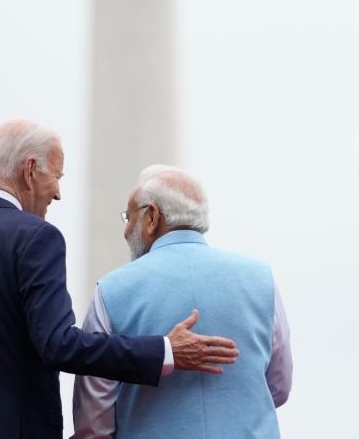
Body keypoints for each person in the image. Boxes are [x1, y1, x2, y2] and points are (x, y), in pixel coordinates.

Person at [0, 120, 239, 439]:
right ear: (30, 170)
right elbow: (58, 344)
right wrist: (164, 350)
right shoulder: (35, 237)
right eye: (57, 176)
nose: (58, 193)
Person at [72, 165, 293, 439]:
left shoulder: (110, 290)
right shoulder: (263, 279)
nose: (126, 230)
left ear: (152, 216)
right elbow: (279, 387)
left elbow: (95, 420)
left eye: (128, 217)